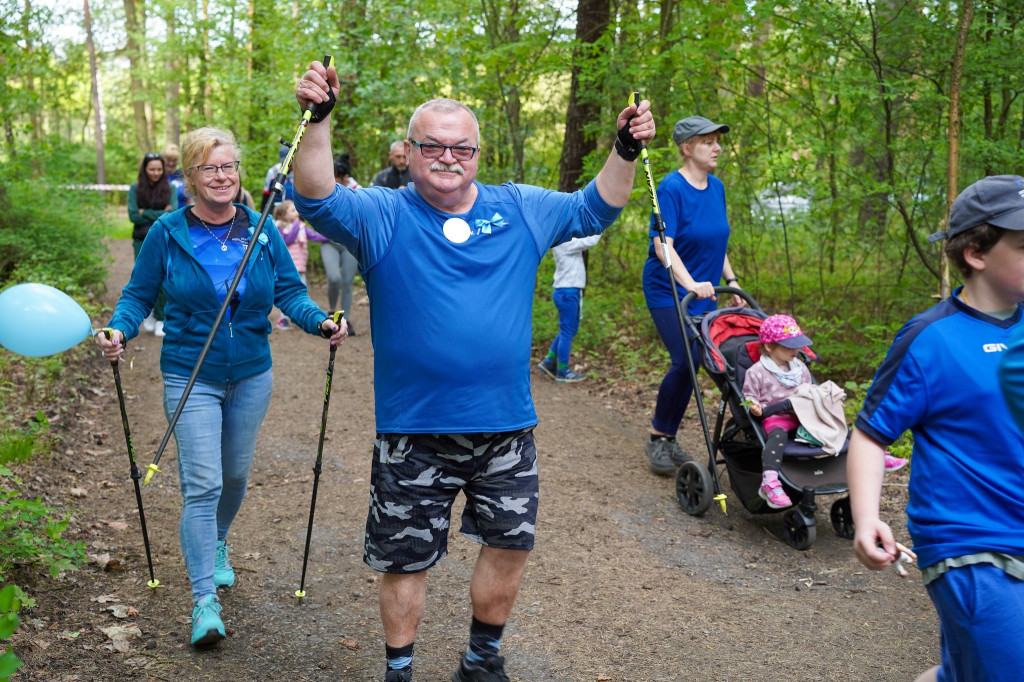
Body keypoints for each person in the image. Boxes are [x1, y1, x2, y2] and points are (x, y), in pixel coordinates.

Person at [293, 59, 654, 682]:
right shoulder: (382, 212)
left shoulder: (521, 208)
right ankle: (399, 670)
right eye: (431, 144)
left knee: (510, 546)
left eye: (461, 146)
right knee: (406, 561)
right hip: (414, 431)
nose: (447, 156)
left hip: (506, 428)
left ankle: (481, 660)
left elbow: (595, 210)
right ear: (408, 152)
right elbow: (316, 197)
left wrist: (624, 148)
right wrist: (319, 120)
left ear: (478, 153)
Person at [96, 126, 347, 649]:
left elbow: (290, 292)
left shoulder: (261, 230)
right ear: (189, 177)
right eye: (209, 168)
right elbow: (138, 296)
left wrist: (319, 321)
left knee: (234, 476)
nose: (221, 176)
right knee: (203, 482)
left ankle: (218, 543)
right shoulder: (167, 233)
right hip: (190, 373)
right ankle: (203, 599)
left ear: (239, 174)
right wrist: (119, 329)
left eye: (228, 167)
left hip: (253, 371)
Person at [849, 174, 1024, 682]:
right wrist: (865, 520)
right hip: (967, 543)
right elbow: (869, 433)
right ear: (976, 253)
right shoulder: (930, 339)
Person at [641, 115, 744, 476]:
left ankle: (667, 435)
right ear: (687, 148)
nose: (717, 147)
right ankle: (659, 435)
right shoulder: (670, 189)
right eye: (708, 141)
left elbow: (718, 241)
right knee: (686, 359)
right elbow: (661, 246)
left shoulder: (716, 187)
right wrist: (688, 283)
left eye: (718, 140)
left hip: (705, 291)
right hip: (668, 288)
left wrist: (732, 281)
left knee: (698, 362)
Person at [743, 314, 905, 509]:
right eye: (789, 346)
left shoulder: (799, 368)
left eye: (797, 344)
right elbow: (749, 395)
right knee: (777, 437)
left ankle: (876, 456)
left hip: (803, 415)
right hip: (776, 416)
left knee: (838, 427)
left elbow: (812, 392)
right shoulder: (757, 371)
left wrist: (828, 402)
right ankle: (770, 481)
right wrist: (754, 405)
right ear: (769, 346)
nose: (796, 350)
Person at [536, 234, 601, 383]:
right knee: (567, 331)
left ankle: (549, 361)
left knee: (569, 330)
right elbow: (591, 240)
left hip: (567, 290)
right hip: (568, 291)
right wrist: (602, 222)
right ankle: (562, 371)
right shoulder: (565, 242)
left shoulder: (564, 241)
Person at [127, 152, 172, 337]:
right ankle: (149, 312)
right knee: (145, 277)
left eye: (159, 169)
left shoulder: (170, 188)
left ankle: (161, 317)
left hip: (165, 239)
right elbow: (133, 215)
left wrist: (145, 212)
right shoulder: (135, 188)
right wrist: (160, 212)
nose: (156, 173)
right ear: (145, 169)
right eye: (152, 169)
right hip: (141, 239)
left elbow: (172, 214)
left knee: (163, 278)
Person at [317, 154, 362, 333]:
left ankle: (344, 319)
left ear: (344, 177)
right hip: (329, 241)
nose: (332, 179)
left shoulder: (357, 189)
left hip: (349, 243)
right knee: (334, 278)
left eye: (335, 175)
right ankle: (331, 309)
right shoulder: (325, 188)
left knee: (347, 281)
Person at [274, 199, 328, 330]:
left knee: (301, 291)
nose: (296, 212)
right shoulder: (280, 228)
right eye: (292, 210)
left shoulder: (302, 228)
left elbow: (315, 237)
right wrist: (297, 225)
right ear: (283, 215)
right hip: (287, 268)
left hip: (301, 267)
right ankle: (283, 318)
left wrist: (330, 236)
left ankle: (299, 316)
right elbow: (288, 239)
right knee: (287, 292)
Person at [261, 145, 294, 211]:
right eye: (284, 162)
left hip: (294, 209)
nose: (287, 165)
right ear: (280, 159)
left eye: (289, 162)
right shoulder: (273, 172)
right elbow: (266, 194)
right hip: (276, 209)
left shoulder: (297, 172)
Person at [162, 143, 189, 209]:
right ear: (163, 159)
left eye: (174, 160)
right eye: (168, 159)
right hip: (163, 216)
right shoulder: (157, 177)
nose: (171, 163)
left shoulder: (182, 176)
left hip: (183, 215)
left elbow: (190, 200)